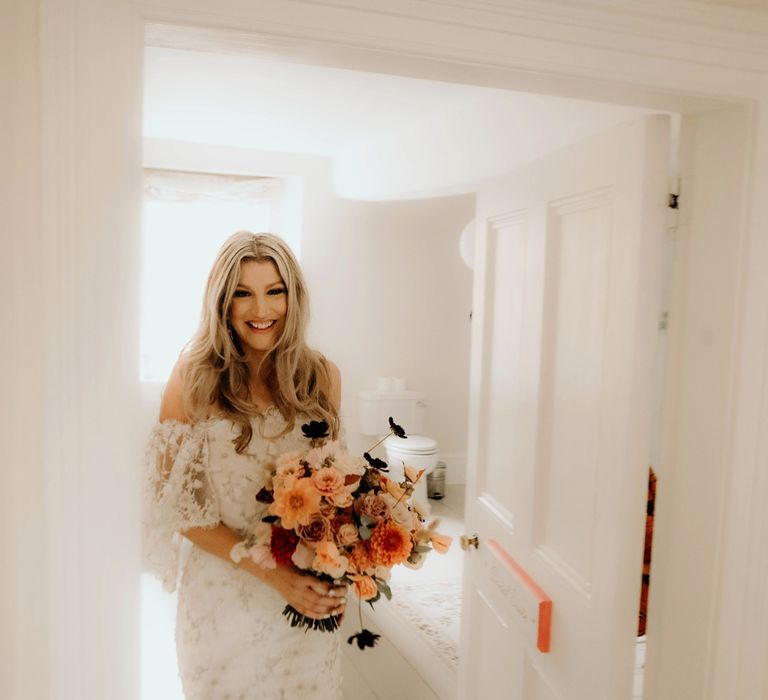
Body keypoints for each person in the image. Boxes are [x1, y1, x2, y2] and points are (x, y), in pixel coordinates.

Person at [143, 231, 347, 700]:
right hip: (222, 602)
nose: (262, 310)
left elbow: (332, 489)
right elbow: (177, 508)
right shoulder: (192, 379)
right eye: (243, 293)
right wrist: (275, 576)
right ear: (222, 302)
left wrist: (341, 566)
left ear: (293, 298)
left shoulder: (323, 377)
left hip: (305, 606)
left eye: (275, 291)